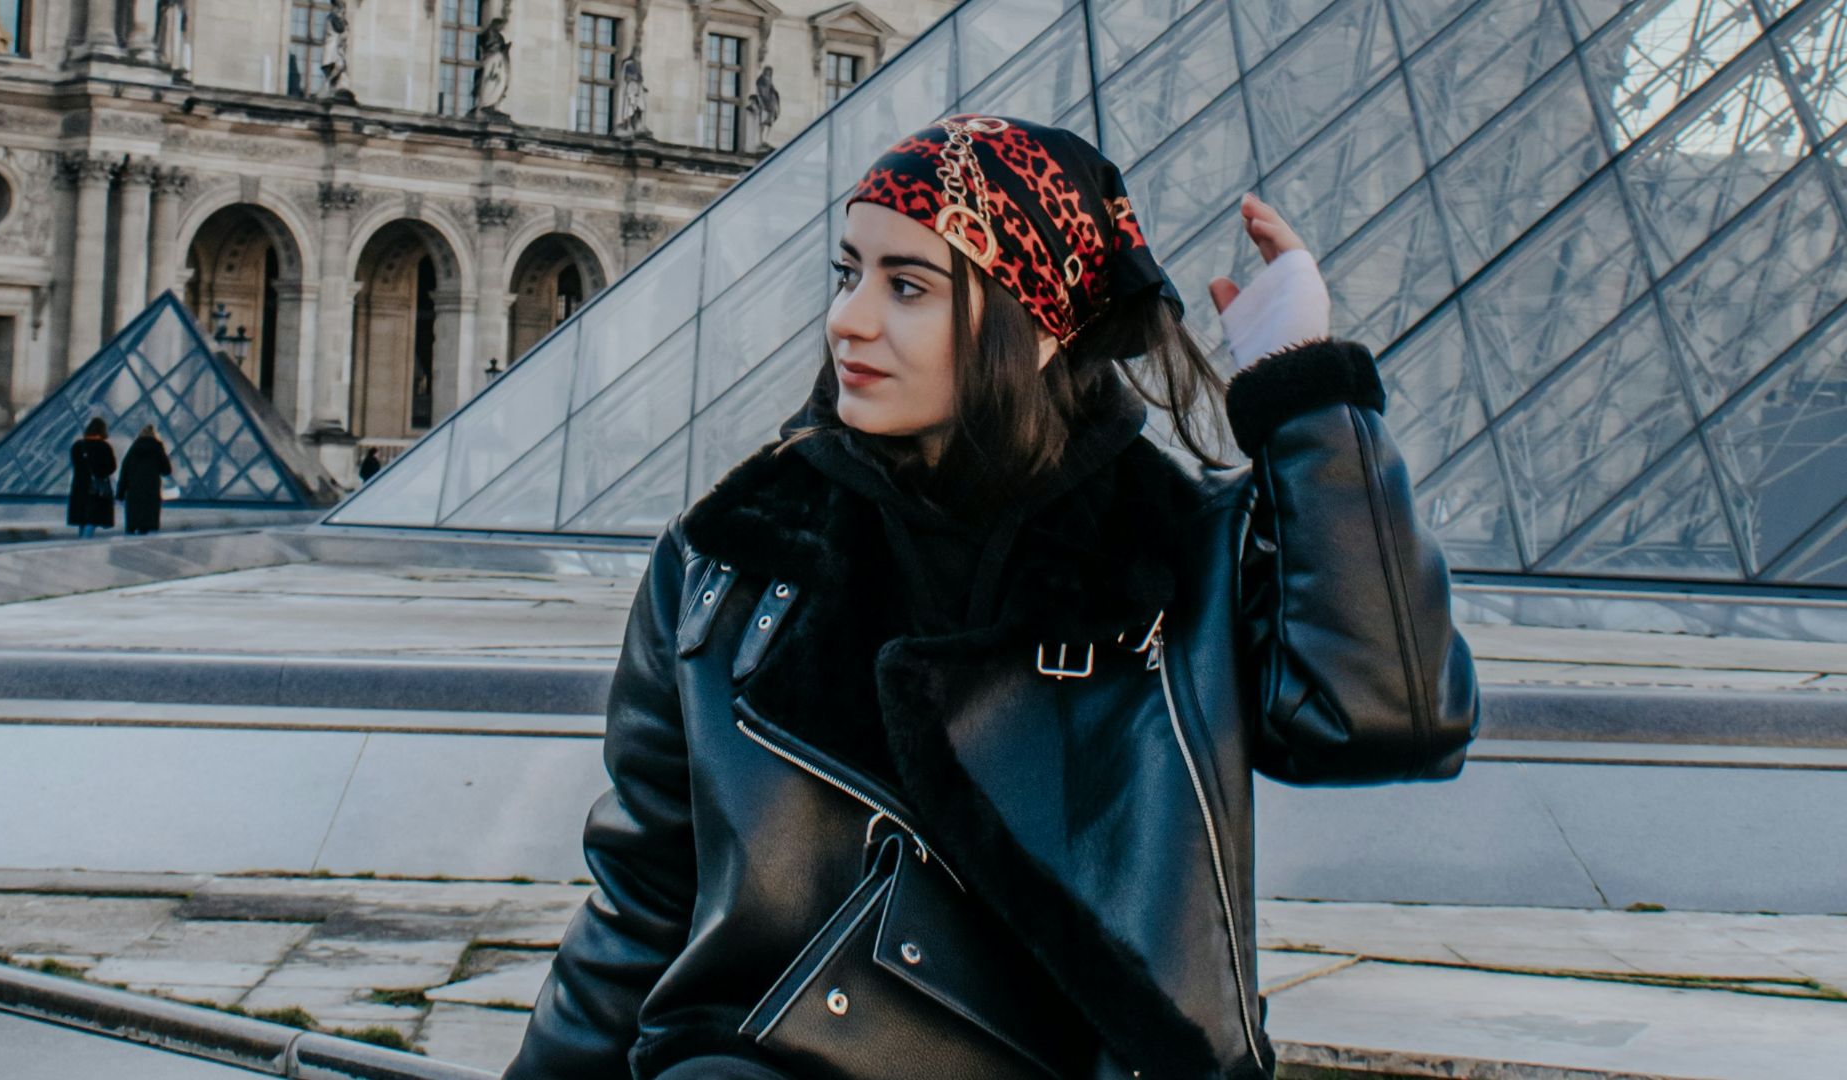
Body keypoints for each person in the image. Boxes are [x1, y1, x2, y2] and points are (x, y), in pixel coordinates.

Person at [503, 114, 1478, 1080]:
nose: (848, 318)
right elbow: (637, 915)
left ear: (1043, 323)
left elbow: (1392, 717)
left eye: (908, 285)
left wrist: (1306, 396)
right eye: (849, 273)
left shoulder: (1183, 559)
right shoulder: (725, 563)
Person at [116, 424, 174, 536]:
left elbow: (124, 474)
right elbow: (167, 470)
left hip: (134, 492)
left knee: (132, 526)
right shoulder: (158, 449)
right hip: (150, 492)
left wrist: (120, 494)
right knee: (146, 527)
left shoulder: (132, 450)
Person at [67, 417, 117, 539]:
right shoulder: (105, 447)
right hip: (96, 488)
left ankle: (82, 538)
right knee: (93, 518)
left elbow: (75, 464)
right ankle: (84, 541)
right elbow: (111, 467)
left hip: (79, 486)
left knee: (82, 518)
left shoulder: (77, 446)